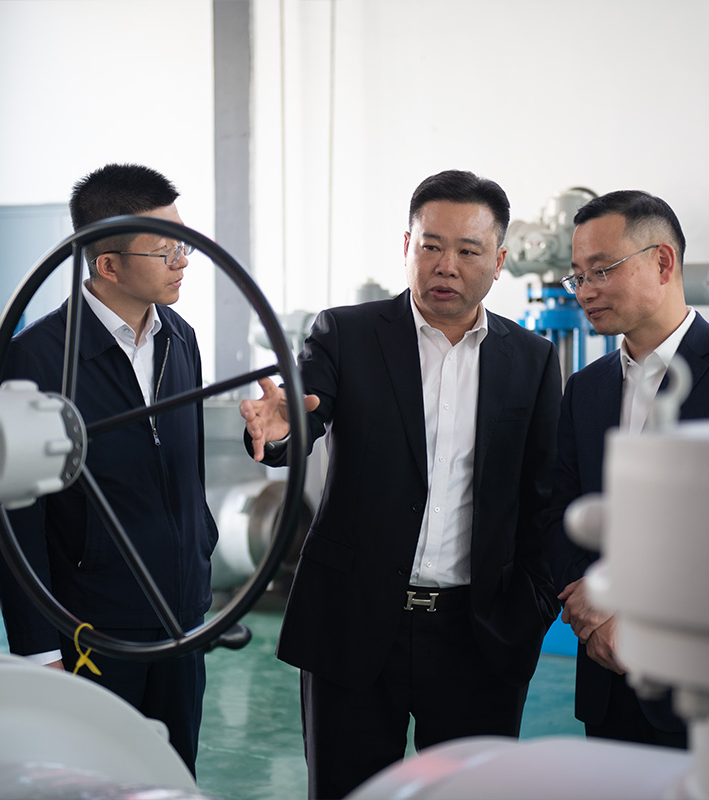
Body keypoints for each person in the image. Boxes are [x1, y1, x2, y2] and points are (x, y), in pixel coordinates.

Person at [240, 169, 562, 799]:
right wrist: (280, 432)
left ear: (499, 262)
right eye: (431, 245)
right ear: (407, 246)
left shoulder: (531, 359)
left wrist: (531, 608)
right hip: (355, 623)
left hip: (479, 634)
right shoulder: (346, 334)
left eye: (468, 251)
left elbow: (542, 495)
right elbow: (303, 417)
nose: (446, 266)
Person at [545, 190, 709, 749]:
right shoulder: (586, 389)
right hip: (606, 673)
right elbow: (561, 510)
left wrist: (628, 605)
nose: (585, 291)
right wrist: (596, 611)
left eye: (600, 270)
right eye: (577, 276)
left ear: (662, 262)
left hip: (703, 680)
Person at [0, 164, 217, 776]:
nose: (183, 261)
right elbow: (17, 520)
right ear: (108, 265)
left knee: (172, 774)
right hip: (90, 625)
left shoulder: (180, 338)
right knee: (94, 779)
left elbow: (186, 466)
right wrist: (39, 650)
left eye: (185, 243)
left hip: (179, 615)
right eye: (166, 249)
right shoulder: (35, 359)